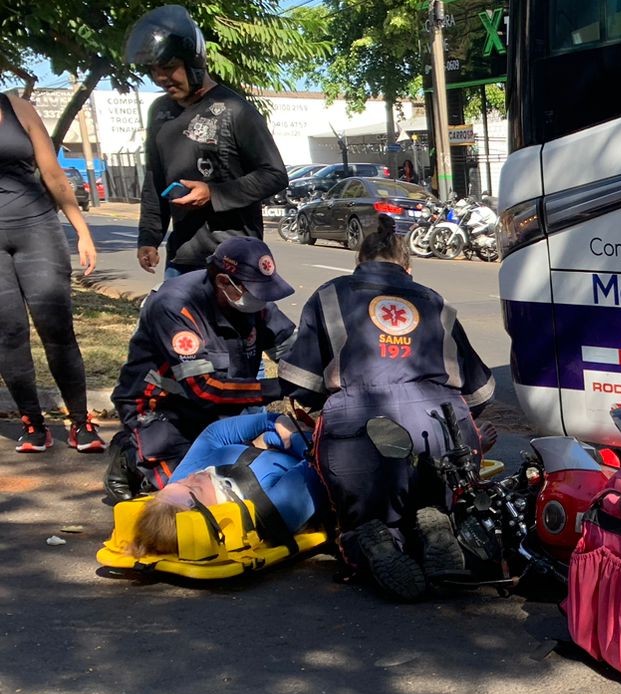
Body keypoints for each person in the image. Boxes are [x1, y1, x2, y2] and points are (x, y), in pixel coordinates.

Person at [279, 216, 495, 600]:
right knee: (432, 494)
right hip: (440, 422)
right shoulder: (435, 301)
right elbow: (479, 391)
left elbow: (299, 383)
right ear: (407, 267)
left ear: (358, 262)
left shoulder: (330, 294)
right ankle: (433, 521)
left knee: (362, 516)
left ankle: (371, 544)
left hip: (360, 424)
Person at [107, 236, 295, 498]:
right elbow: (204, 388)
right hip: (162, 408)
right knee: (185, 491)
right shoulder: (175, 306)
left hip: (221, 410)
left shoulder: (254, 300)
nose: (261, 300)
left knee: (235, 483)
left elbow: (292, 350)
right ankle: (129, 453)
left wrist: (320, 378)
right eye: (255, 291)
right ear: (223, 282)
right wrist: (281, 387)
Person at [124, 5, 289, 278]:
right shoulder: (160, 113)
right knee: (173, 320)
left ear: (195, 62)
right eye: (153, 70)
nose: (161, 78)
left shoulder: (235, 109)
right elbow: (155, 181)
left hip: (236, 258)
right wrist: (149, 237)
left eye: (168, 67)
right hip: (182, 257)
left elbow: (274, 175)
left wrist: (213, 194)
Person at [0, 89, 104, 453]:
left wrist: (82, 230)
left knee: (56, 329)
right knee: (8, 335)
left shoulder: (17, 108)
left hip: (38, 229)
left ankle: (80, 422)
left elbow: (52, 172)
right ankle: (33, 424)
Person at [126, 411, 324, 558]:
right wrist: (286, 436)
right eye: (195, 488)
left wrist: (274, 421)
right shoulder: (274, 508)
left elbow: (213, 434)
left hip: (288, 440)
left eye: (181, 481)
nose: (193, 476)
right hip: (311, 443)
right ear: (211, 515)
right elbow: (321, 457)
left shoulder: (182, 483)